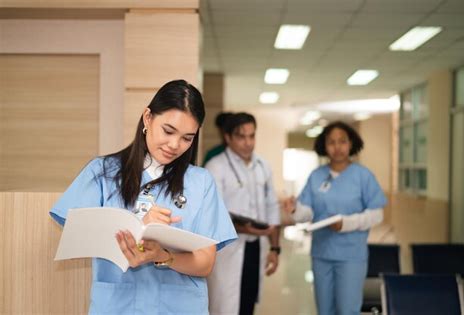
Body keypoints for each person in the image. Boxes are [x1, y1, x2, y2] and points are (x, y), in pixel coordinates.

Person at [49, 79, 237, 314]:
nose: (174, 145)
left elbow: (205, 262)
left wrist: (162, 256)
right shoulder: (102, 172)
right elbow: (77, 237)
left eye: (187, 138)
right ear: (148, 118)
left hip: (179, 306)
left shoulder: (201, 182)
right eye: (168, 131)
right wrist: (138, 228)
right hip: (119, 305)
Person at [282, 121, 386, 315]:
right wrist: (294, 209)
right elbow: (307, 212)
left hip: (351, 256)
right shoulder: (316, 176)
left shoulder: (363, 176)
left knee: (347, 310)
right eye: (331, 142)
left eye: (342, 141)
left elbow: (377, 214)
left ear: (351, 144)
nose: (337, 147)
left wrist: (347, 223)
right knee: (324, 310)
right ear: (324, 145)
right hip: (321, 253)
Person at [205, 112, 281, 315]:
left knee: (248, 301)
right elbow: (214, 213)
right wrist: (243, 227)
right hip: (228, 249)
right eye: (241, 136)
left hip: (256, 247)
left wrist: (275, 248)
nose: (248, 143)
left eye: (252, 136)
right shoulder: (215, 167)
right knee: (225, 305)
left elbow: (272, 206)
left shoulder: (263, 165)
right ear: (228, 137)